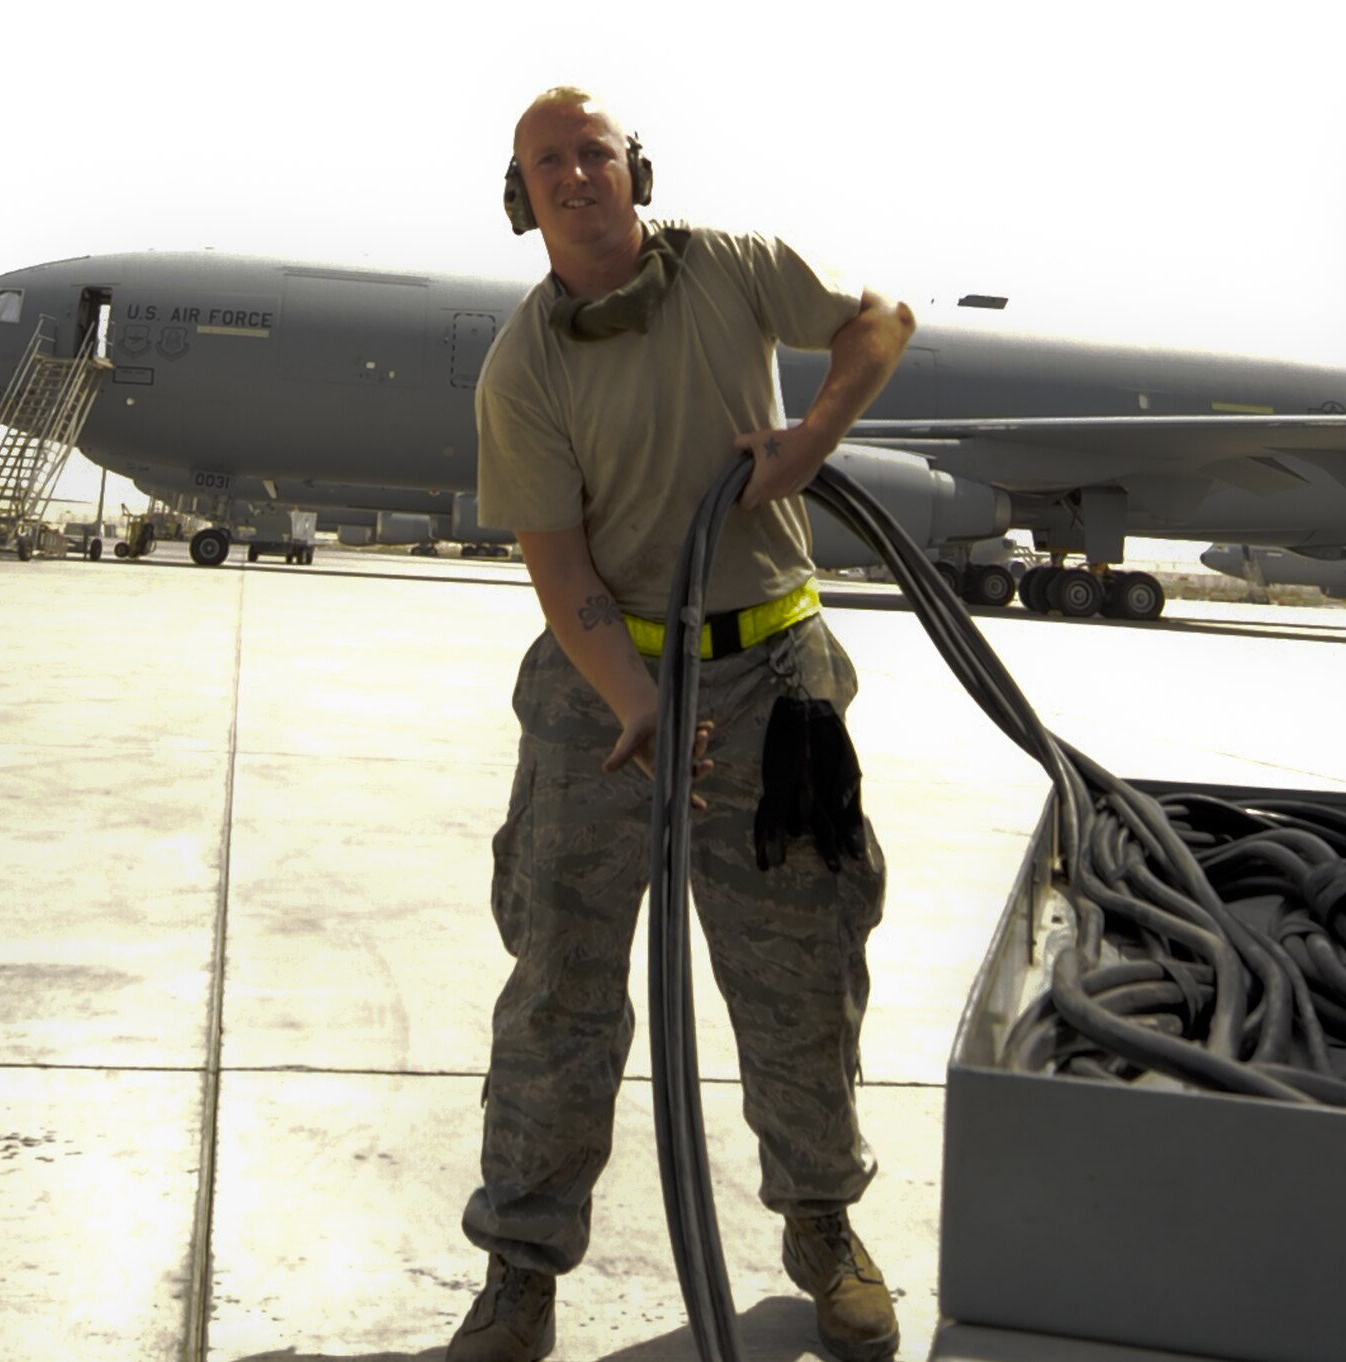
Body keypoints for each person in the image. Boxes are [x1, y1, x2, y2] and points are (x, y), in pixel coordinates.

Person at [450, 87, 916, 1362]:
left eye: (593, 153)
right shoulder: (524, 365)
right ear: (521, 198)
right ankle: (522, 1274)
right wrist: (639, 707)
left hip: (774, 678)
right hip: (602, 694)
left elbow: (879, 321)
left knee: (801, 974)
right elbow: (562, 572)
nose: (575, 177)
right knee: (559, 989)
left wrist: (815, 433)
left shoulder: (730, 268)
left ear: (632, 169)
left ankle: (822, 1228)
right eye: (547, 164)